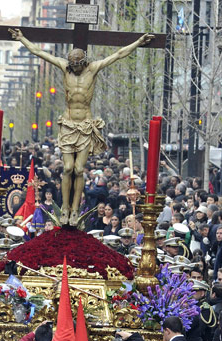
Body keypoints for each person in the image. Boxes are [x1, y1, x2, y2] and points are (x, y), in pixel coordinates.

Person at [9, 27, 154, 224]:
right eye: (73, 65)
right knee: (68, 168)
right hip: (68, 124)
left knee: (78, 170)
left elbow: (118, 54)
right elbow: (40, 52)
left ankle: (75, 209)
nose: (75, 69)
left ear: (83, 62)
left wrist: (138, 42)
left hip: (85, 124)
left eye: (78, 65)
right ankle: (65, 207)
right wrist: (22, 38)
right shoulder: (64, 67)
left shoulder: (93, 68)